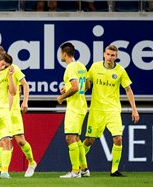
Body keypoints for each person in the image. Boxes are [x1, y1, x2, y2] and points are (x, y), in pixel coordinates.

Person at [83, 44, 139, 177]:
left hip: (113, 110)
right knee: (89, 140)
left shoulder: (120, 71)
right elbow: (86, 85)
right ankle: (78, 163)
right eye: (108, 54)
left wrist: (134, 110)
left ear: (116, 57)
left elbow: (128, 90)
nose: (109, 57)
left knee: (118, 138)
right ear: (104, 54)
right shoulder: (95, 67)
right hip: (96, 110)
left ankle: (114, 170)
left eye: (112, 55)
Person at [57, 42, 90, 178]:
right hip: (82, 105)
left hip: (74, 107)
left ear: (64, 53)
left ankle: (75, 171)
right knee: (76, 138)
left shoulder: (70, 67)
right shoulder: (81, 65)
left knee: (70, 137)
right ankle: (84, 169)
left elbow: (75, 87)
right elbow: (87, 85)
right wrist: (69, 88)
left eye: (61, 53)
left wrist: (62, 97)